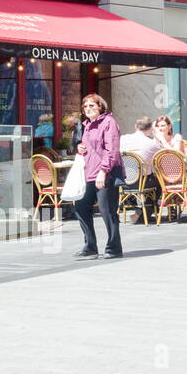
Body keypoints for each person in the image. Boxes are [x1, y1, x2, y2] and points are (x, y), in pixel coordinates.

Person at [72, 93, 125, 259]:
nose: (88, 109)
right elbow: (89, 146)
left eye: (92, 106)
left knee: (107, 211)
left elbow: (112, 150)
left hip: (105, 174)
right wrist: (81, 147)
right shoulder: (86, 125)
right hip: (89, 173)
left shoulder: (109, 122)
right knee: (80, 206)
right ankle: (90, 246)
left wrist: (104, 171)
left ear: (100, 107)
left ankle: (114, 248)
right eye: (85, 106)